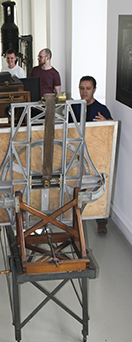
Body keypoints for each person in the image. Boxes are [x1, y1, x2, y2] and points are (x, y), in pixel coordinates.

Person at [71, 76, 113, 235]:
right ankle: (73, 217)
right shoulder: (74, 107)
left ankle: (101, 221)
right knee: (74, 184)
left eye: (88, 88)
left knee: (98, 185)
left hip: (95, 155)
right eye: (81, 88)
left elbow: (110, 130)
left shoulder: (102, 109)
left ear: (94, 89)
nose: (84, 91)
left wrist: (107, 121)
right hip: (76, 154)